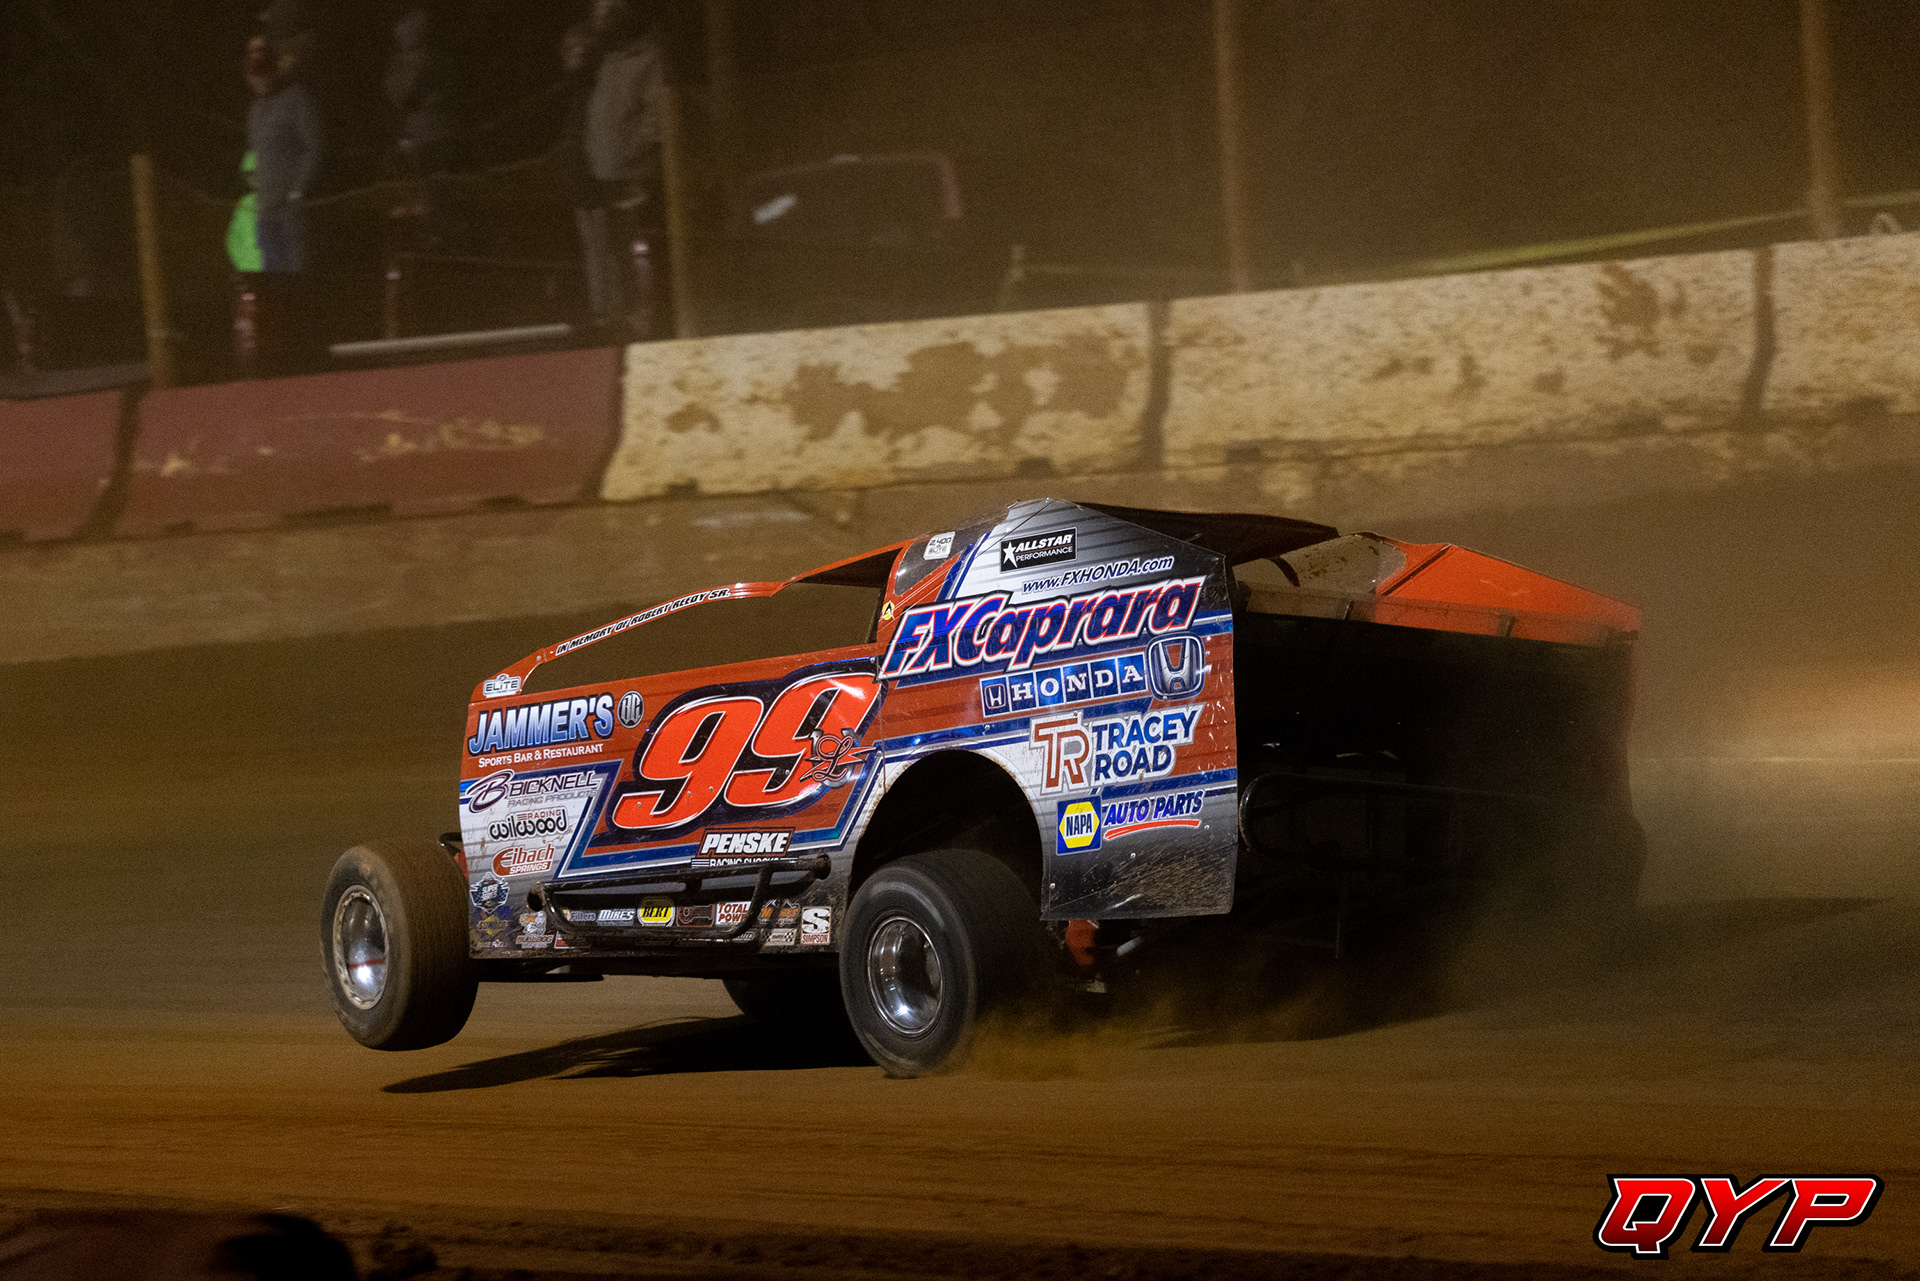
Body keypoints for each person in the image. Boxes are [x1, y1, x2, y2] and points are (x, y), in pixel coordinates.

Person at [576, 0, 666, 340]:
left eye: (608, 13)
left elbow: (655, 115)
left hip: (630, 171)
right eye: (597, 14)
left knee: (631, 249)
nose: (602, 22)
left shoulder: (646, 59)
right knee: (605, 249)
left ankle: (638, 320)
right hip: (600, 169)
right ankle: (610, 320)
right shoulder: (606, 61)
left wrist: (633, 155)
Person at [245, 33, 322, 373]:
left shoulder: (296, 99)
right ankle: (282, 360)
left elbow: (314, 145)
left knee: (298, 284)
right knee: (273, 289)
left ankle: (307, 355)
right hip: (266, 214)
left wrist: (298, 190)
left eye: (263, 71)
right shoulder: (254, 111)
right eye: (253, 76)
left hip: (290, 213)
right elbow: (257, 156)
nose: (258, 80)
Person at [386, 5, 457, 248]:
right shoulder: (438, 54)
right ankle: (436, 235)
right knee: (434, 187)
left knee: (429, 187)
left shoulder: (418, 58)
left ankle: (433, 238)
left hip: (425, 133)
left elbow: (401, 94)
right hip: (436, 130)